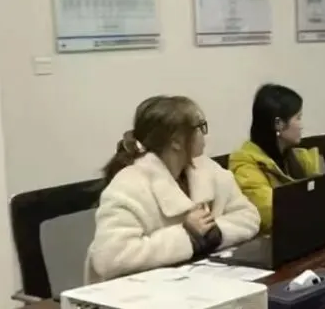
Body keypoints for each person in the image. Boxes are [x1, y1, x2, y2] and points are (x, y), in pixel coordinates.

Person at [87, 95, 260, 283]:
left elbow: (249, 216)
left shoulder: (207, 168)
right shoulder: (128, 186)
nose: (204, 135)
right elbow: (111, 258)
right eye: (199, 127)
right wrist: (187, 237)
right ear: (176, 141)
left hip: (199, 283)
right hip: (142, 293)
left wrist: (215, 233)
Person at [229, 84, 325, 230]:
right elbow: (275, 212)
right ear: (278, 124)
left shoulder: (299, 157)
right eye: (298, 118)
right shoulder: (245, 163)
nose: (301, 126)